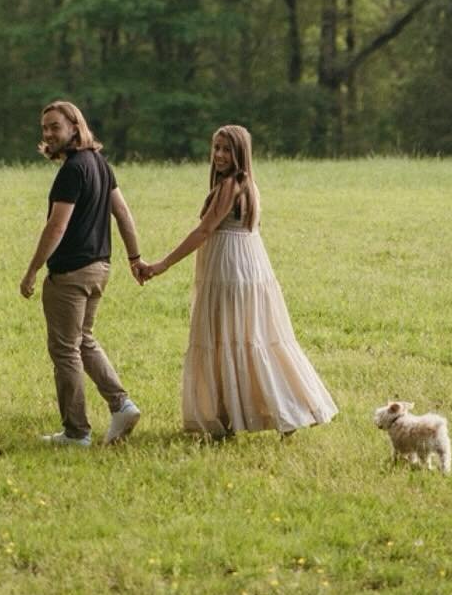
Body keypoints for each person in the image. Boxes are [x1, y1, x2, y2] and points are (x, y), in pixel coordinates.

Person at [138, 124, 336, 438]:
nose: (218, 155)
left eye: (226, 149)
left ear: (240, 153)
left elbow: (203, 231)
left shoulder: (231, 184)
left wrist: (162, 265)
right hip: (246, 267)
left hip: (230, 272)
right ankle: (251, 412)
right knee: (248, 338)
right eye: (216, 147)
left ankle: (249, 414)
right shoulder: (248, 185)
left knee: (231, 339)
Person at [19, 99, 144, 448]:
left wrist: (32, 272)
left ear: (75, 127)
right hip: (99, 268)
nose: (48, 133)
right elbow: (123, 213)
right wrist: (134, 257)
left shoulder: (73, 170)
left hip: (71, 272)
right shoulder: (100, 165)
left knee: (65, 351)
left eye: (55, 126)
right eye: (44, 127)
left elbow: (56, 227)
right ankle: (122, 405)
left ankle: (76, 432)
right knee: (83, 340)